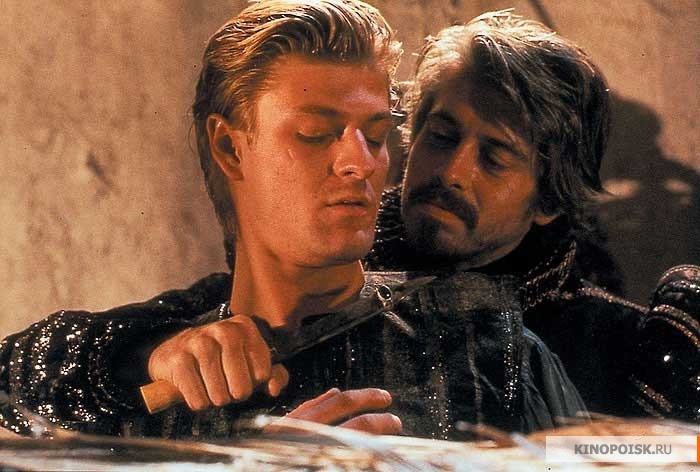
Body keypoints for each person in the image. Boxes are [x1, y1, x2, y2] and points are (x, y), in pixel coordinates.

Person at [0, 3, 588, 441]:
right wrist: (141, 358)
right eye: (315, 133)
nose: (361, 162)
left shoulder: (490, 349)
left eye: (377, 134)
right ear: (231, 148)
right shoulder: (144, 378)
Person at [364, 10, 700, 422]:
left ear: (549, 200)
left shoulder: (617, 351)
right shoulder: (317, 284)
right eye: (442, 136)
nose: (451, 173)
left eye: (494, 159)